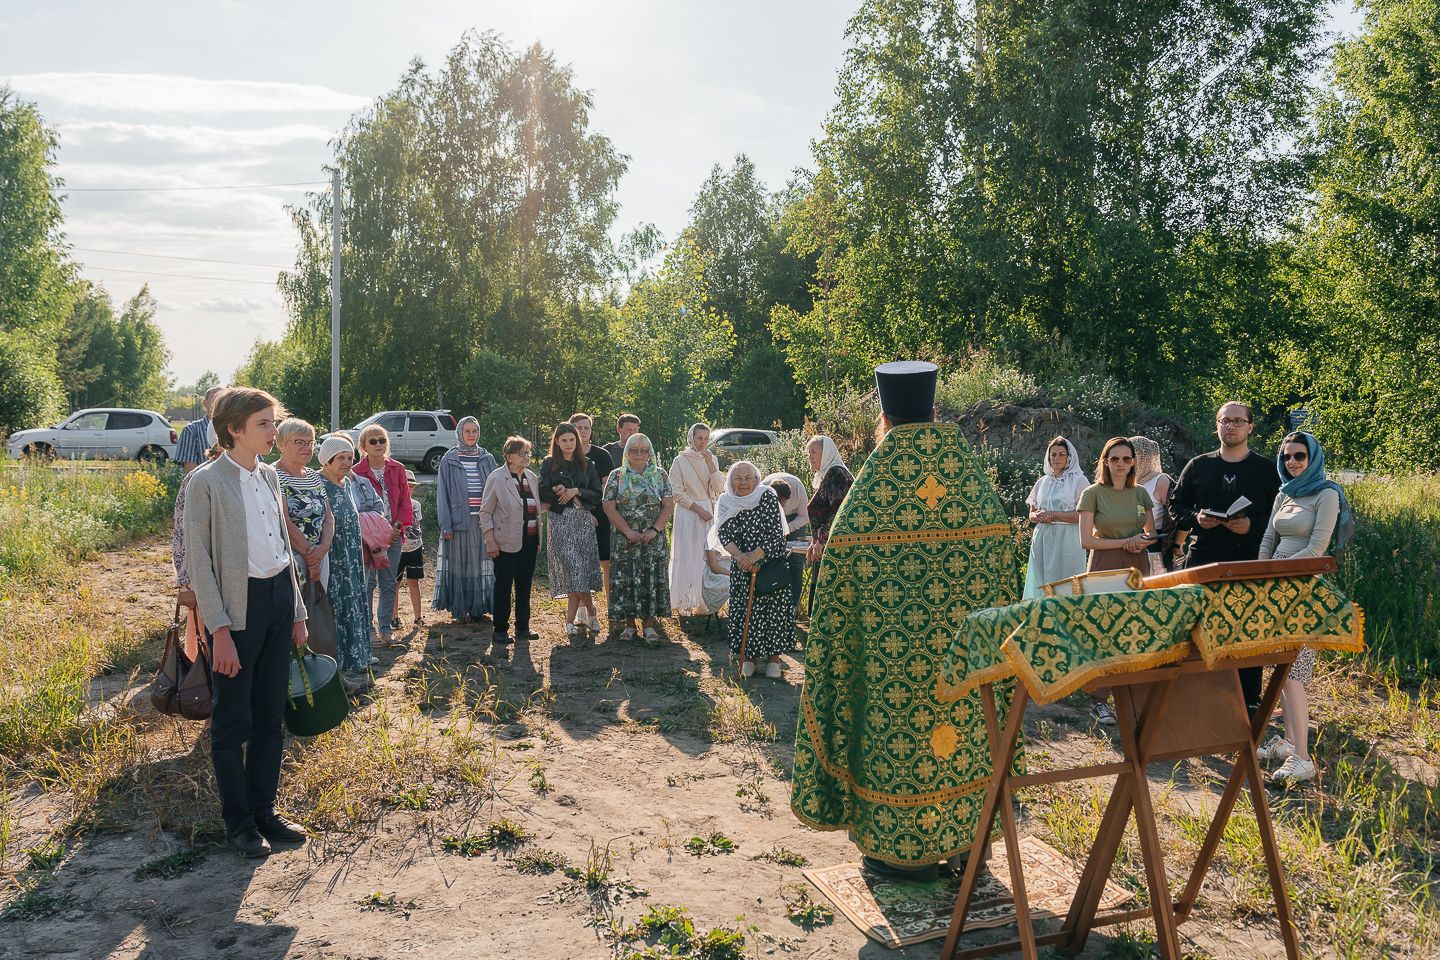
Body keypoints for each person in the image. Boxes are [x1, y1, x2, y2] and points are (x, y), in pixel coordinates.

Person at [792, 361, 1021, 882]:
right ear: (934, 411)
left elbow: (837, 586)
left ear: (885, 418)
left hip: (893, 668)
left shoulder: (872, 494)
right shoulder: (971, 485)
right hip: (967, 662)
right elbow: (1004, 571)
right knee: (967, 737)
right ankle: (967, 844)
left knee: (898, 737)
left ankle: (899, 853)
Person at [183, 387, 308, 859]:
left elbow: (282, 548)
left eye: (273, 421)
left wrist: (296, 612)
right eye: (264, 424)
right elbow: (199, 562)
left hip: (278, 600)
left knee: (270, 716)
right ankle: (238, 824)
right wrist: (219, 631)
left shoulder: (270, 476)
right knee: (233, 722)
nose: (274, 431)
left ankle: (263, 812)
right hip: (236, 612)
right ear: (234, 429)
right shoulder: (205, 482)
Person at [1168, 401, 1282, 714]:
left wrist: (1252, 525)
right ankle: (1195, 697)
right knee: (1198, 628)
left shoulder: (1266, 470)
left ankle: (1247, 702)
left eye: (1237, 421)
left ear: (1250, 427)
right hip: (1203, 560)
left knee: (1246, 630)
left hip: (1248, 560)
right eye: (1225, 420)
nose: (1230, 426)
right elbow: (1176, 506)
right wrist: (1196, 519)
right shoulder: (1198, 465)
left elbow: (1281, 514)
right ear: (1217, 425)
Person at [1256, 432, 1352, 785]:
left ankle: (1303, 758)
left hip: (1301, 586)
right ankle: (1288, 740)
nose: (1292, 462)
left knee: (1293, 670)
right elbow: (1269, 537)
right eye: (1286, 456)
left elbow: (1317, 547)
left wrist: (1276, 571)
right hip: (1272, 583)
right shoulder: (1285, 492)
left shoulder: (1327, 493)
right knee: (1278, 666)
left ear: (1313, 458)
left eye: (1299, 456)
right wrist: (1259, 572)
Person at [712, 461, 794, 678]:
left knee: (773, 612)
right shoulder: (725, 501)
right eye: (738, 478)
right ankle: (749, 658)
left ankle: (774, 660)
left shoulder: (766, 496)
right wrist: (742, 557)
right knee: (744, 611)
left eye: (748, 478)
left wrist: (755, 556)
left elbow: (776, 533)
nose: (743, 482)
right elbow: (724, 535)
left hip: (769, 564)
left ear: (757, 479)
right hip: (742, 567)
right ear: (730, 481)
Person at [601, 433, 674, 643]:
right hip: (625, 539)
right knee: (626, 579)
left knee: (651, 578)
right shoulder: (617, 475)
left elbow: (668, 505)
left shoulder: (660, 475)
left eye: (644, 450)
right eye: (634, 450)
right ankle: (630, 625)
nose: (639, 454)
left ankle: (649, 625)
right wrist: (628, 531)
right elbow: (608, 506)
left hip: (653, 539)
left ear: (649, 453)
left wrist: (654, 530)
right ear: (627, 452)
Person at [317, 435, 375, 690]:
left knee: (354, 601)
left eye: (350, 457)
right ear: (327, 460)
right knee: (336, 606)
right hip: (333, 557)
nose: (347, 462)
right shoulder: (319, 485)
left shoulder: (347, 483)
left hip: (352, 556)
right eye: (340, 458)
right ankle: (337, 663)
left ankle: (357, 656)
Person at [351, 423, 413, 648]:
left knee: (388, 583)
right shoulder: (355, 472)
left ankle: (385, 629)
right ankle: (368, 629)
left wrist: (396, 527)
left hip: (393, 534)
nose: (378, 444)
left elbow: (405, 500)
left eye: (382, 440)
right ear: (363, 446)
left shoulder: (397, 468)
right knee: (367, 584)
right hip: (367, 537)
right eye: (373, 441)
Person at [540, 422, 603, 636]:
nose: (568, 444)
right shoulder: (549, 463)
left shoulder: (587, 464)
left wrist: (576, 491)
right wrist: (558, 491)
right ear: (557, 442)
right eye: (564, 440)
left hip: (582, 521)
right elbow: (542, 492)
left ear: (576, 441)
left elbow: (597, 494)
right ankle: (591, 610)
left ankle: (570, 621)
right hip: (560, 520)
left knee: (580, 571)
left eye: (571, 440)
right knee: (573, 568)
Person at [433, 417, 498, 623]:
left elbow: (496, 491)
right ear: (460, 433)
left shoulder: (487, 458)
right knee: (460, 566)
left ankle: (478, 608)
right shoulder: (449, 459)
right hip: (458, 522)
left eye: (474, 431)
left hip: (483, 522)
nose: (471, 435)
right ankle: (459, 609)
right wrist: (446, 525)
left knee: (480, 566)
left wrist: (496, 523)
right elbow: (442, 495)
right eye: (467, 431)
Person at [479, 436, 542, 645]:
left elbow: (537, 508)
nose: (526, 457)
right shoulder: (497, 478)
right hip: (504, 541)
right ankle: (500, 629)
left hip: (530, 540)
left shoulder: (531, 477)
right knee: (503, 586)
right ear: (508, 456)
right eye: (521, 453)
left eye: (528, 453)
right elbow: (485, 512)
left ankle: (523, 627)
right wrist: (490, 540)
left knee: (524, 585)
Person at [173, 421, 220, 661]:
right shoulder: (198, 478)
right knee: (208, 651)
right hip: (207, 580)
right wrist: (186, 584)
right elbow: (182, 536)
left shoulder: (255, 474)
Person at [668, 423, 725, 616]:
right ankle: (684, 601)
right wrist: (699, 510)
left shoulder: (712, 459)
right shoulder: (680, 460)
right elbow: (677, 492)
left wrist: (710, 464)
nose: (702, 442)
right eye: (699, 438)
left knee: (704, 555)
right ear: (691, 438)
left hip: (708, 509)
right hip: (688, 511)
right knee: (686, 553)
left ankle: (702, 600)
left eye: (706, 439)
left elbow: (719, 487)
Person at [1077, 437, 1156, 574]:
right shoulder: (1091, 494)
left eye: (1126, 459)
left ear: (1133, 462)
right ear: (1106, 462)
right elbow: (1086, 542)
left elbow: (1152, 533)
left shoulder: (1141, 492)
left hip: (1138, 563)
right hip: (1105, 564)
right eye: (1114, 459)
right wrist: (1128, 542)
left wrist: (1142, 541)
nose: (1120, 463)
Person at [1022, 436, 1088, 598]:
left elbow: (1082, 516)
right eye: (1053, 455)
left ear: (1069, 457)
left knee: (1068, 579)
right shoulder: (1042, 482)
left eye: (1061, 454)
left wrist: (1054, 514)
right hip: (1043, 537)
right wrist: (1038, 516)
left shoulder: (1079, 481)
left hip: (1068, 537)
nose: (1057, 458)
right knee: (1042, 580)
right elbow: (1031, 514)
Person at [275, 419, 334, 593]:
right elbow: (284, 521)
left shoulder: (314, 476)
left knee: (316, 605)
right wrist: (310, 558)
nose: (307, 448)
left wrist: (323, 549)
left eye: (310, 443)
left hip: (320, 555)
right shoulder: (274, 475)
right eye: (299, 442)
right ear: (281, 444)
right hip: (290, 557)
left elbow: (328, 518)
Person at [570, 413, 616, 598]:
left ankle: (612, 604)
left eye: (586, 428)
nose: (583, 431)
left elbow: (608, 484)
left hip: (601, 514)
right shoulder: (565, 456)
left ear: (591, 430)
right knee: (580, 562)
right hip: (575, 514)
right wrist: (583, 508)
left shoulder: (602, 455)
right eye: (578, 428)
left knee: (607, 561)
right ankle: (583, 607)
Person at [804, 434, 854, 592]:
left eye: (814, 452)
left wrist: (821, 540)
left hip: (836, 546)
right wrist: (815, 542)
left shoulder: (836, 474)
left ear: (826, 453)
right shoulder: (829, 474)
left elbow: (837, 512)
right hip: (828, 545)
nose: (810, 457)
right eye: (808, 453)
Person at [762, 472, 810, 614]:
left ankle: (794, 605)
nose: (781, 505)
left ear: (788, 498)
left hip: (795, 518)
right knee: (771, 560)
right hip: (771, 518)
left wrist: (787, 529)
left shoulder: (798, 488)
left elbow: (804, 516)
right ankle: (771, 601)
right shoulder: (763, 490)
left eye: (782, 502)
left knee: (796, 561)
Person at [1130, 435, 1173, 574]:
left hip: (1154, 543)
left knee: (1155, 580)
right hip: (1128, 542)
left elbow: (1173, 517)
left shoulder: (1160, 481)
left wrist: (1176, 545)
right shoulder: (1127, 480)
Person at [392, 470, 425, 629]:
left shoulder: (416, 505)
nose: (408, 490)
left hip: (414, 548)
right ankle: (394, 618)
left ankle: (418, 617)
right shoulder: (393, 505)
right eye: (405, 486)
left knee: (414, 582)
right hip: (397, 549)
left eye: (411, 487)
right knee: (395, 584)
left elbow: (416, 525)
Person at [175, 385, 223, 473]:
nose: (220, 401)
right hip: (205, 481)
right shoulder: (191, 430)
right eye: (215, 397)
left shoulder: (236, 429)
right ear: (204, 403)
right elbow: (190, 469)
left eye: (224, 398)